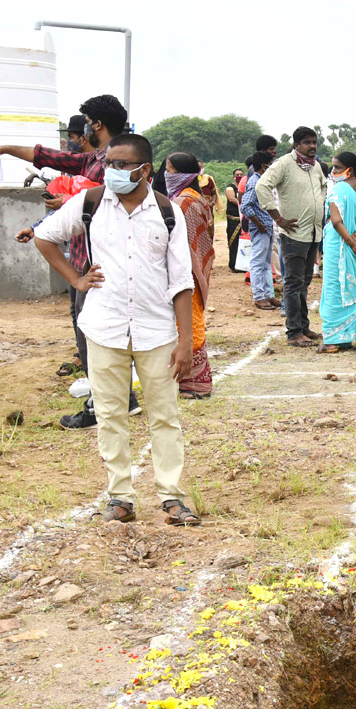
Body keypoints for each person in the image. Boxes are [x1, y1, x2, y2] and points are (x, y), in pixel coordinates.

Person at [33, 133, 200, 526]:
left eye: (122, 165)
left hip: (156, 332)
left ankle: (172, 497)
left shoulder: (167, 212)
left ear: (144, 170)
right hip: (103, 327)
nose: (113, 171)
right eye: (110, 163)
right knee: (110, 415)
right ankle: (120, 497)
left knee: (164, 416)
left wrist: (185, 340)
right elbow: (44, 236)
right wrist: (76, 280)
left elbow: (181, 281)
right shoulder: (89, 203)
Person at [0, 94, 139, 430]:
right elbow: (46, 156)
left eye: (87, 125)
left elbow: (106, 202)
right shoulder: (97, 158)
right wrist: (3, 149)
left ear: (96, 125)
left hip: (95, 263)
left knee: (91, 333)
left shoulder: (113, 161)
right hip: (91, 258)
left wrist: (66, 203)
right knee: (98, 333)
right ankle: (122, 398)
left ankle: (102, 405)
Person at [256, 126, 327, 347]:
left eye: (314, 142)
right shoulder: (284, 164)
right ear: (296, 145)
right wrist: (278, 218)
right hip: (294, 234)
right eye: (307, 142)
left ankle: (303, 326)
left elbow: (324, 187)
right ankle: (294, 332)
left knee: (304, 282)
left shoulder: (315, 167)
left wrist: (319, 206)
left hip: (313, 233)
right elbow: (262, 187)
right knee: (294, 283)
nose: (312, 146)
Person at [165, 152, 215, 398]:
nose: (166, 175)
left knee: (189, 322)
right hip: (194, 267)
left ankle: (196, 383)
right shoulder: (195, 197)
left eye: (170, 171)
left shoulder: (183, 202)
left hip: (187, 269)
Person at [319, 152, 356, 352]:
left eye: (337, 168)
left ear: (349, 170)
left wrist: (351, 243)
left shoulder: (338, 190)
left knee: (334, 290)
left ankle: (331, 341)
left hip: (341, 246)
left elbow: (336, 222)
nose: (333, 172)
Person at [241, 151, 279, 310]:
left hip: (267, 227)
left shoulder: (262, 181)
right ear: (265, 166)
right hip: (261, 229)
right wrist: (258, 223)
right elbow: (245, 206)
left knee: (265, 262)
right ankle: (259, 296)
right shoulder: (255, 183)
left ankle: (268, 294)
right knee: (258, 262)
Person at [225, 167, 245, 272]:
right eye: (237, 174)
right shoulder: (230, 187)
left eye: (241, 174)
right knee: (234, 242)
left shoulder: (245, 186)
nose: (239, 176)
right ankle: (234, 265)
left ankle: (243, 265)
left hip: (244, 218)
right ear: (234, 176)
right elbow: (232, 199)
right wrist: (245, 202)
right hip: (234, 220)